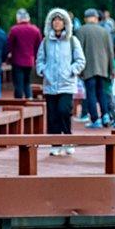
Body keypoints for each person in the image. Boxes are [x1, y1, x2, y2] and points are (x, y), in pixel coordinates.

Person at [35, 8, 85, 156]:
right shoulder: (45, 41)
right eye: (54, 20)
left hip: (66, 84)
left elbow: (80, 60)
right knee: (52, 115)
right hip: (50, 85)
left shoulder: (72, 40)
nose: (57, 23)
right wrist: (43, 70)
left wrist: (72, 70)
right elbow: (40, 60)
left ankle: (68, 139)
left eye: (60, 20)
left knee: (64, 111)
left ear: (65, 23)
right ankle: (55, 144)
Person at [75, 9, 115, 129]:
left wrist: (78, 69)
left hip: (88, 68)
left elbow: (78, 51)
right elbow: (110, 52)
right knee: (102, 92)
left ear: (85, 18)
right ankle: (105, 115)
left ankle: (95, 119)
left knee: (91, 93)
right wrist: (111, 69)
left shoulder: (81, 31)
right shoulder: (104, 31)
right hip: (103, 68)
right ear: (96, 18)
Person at [6, 8, 42, 99]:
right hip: (30, 60)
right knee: (27, 81)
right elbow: (38, 47)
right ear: (28, 18)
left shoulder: (14, 30)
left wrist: (7, 58)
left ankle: (18, 101)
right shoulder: (35, 30)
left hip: (17, 60)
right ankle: (29, 98)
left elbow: (9, 45)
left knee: (18, 83)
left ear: (18, 18)